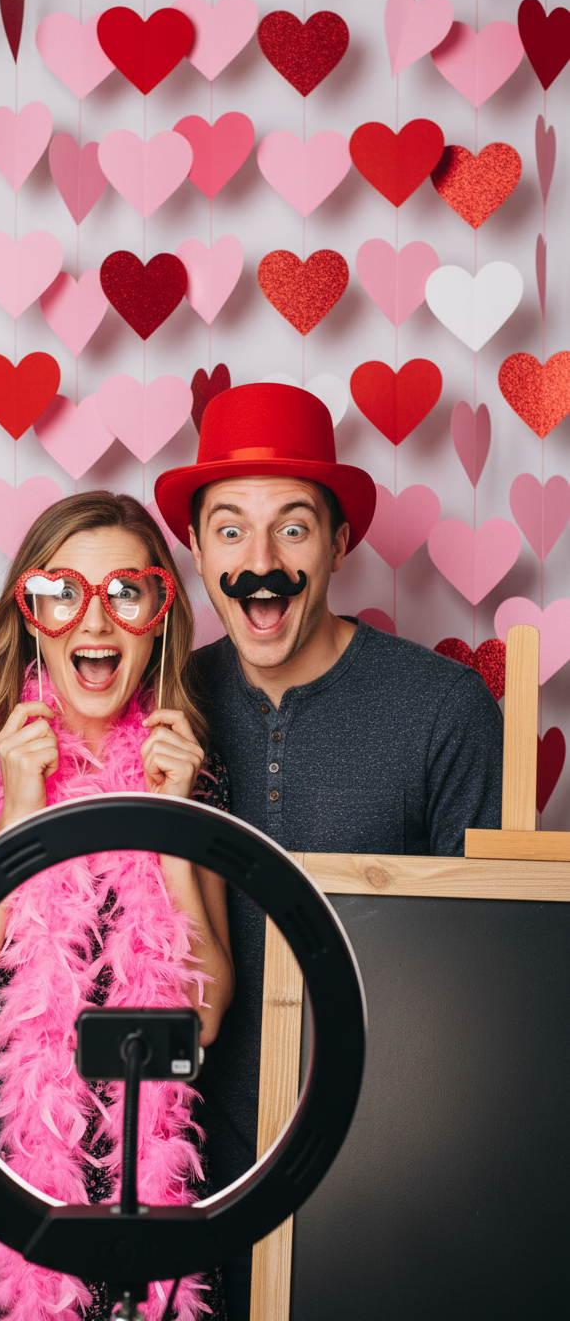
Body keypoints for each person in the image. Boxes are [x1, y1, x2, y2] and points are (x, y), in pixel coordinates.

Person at [155, 381, 504, 1319]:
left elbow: (488, 982)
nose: (259, 563)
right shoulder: (163, 709)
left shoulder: (446, 710)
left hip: (386, 1162)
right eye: (229, 529)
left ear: (341, 543)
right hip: (191, 1168)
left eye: (294, 529)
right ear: (195, 547)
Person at [0, 492, 233, 1321]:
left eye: (127, 592)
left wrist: (172, 826)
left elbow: (203, 1020)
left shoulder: (189, 770)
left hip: (129, 1184)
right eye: (63, 592)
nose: (94, 620)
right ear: (31, 617)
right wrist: (18, 824)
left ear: (158, 620)